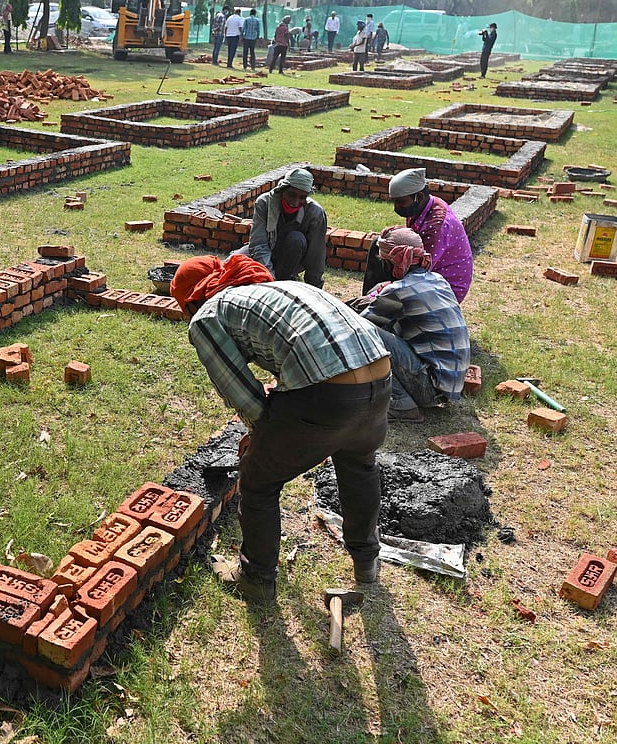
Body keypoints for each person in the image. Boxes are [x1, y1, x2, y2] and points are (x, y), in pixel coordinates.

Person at [171, 255, 392, 603]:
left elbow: (243, 395)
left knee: (258, 479)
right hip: (380, 377)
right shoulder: (274, 290)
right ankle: (367, 561)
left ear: (190, 300)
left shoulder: (207, 315)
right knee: (359, 464)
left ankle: (256, 578)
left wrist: (262, 439)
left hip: (328, 392)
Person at [354, 228, 470, 423]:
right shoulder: (438, 280)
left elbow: (359, 325)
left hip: (429, 386)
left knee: (362, 332)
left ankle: (401, 405)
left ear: (394, 263)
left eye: (384, 262)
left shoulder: (400, 290)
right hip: (449, 385)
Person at [362, 168, 474, 303]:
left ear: (419, 197)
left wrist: (382, 290)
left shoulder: (436, 226)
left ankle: (372, 305)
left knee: (387, 263)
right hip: (428, 275)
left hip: (444, 290)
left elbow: (417, 269)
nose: (396, 207)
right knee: (379, 244)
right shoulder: (427, 205)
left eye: (401, 202)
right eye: (395, 201)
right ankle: (368, 302)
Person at [233, 168, 326, 287]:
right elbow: (259, 244)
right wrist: (270, 277)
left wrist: (315, 287)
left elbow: (316, 254)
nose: (296, 202)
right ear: (282, 191)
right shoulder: (265, 203)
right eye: (292, 195)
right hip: (266, 251)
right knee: (232, 263)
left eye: (302, 197)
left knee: (296, 239)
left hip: (293, 255)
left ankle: (285, 279)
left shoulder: (315, 213)